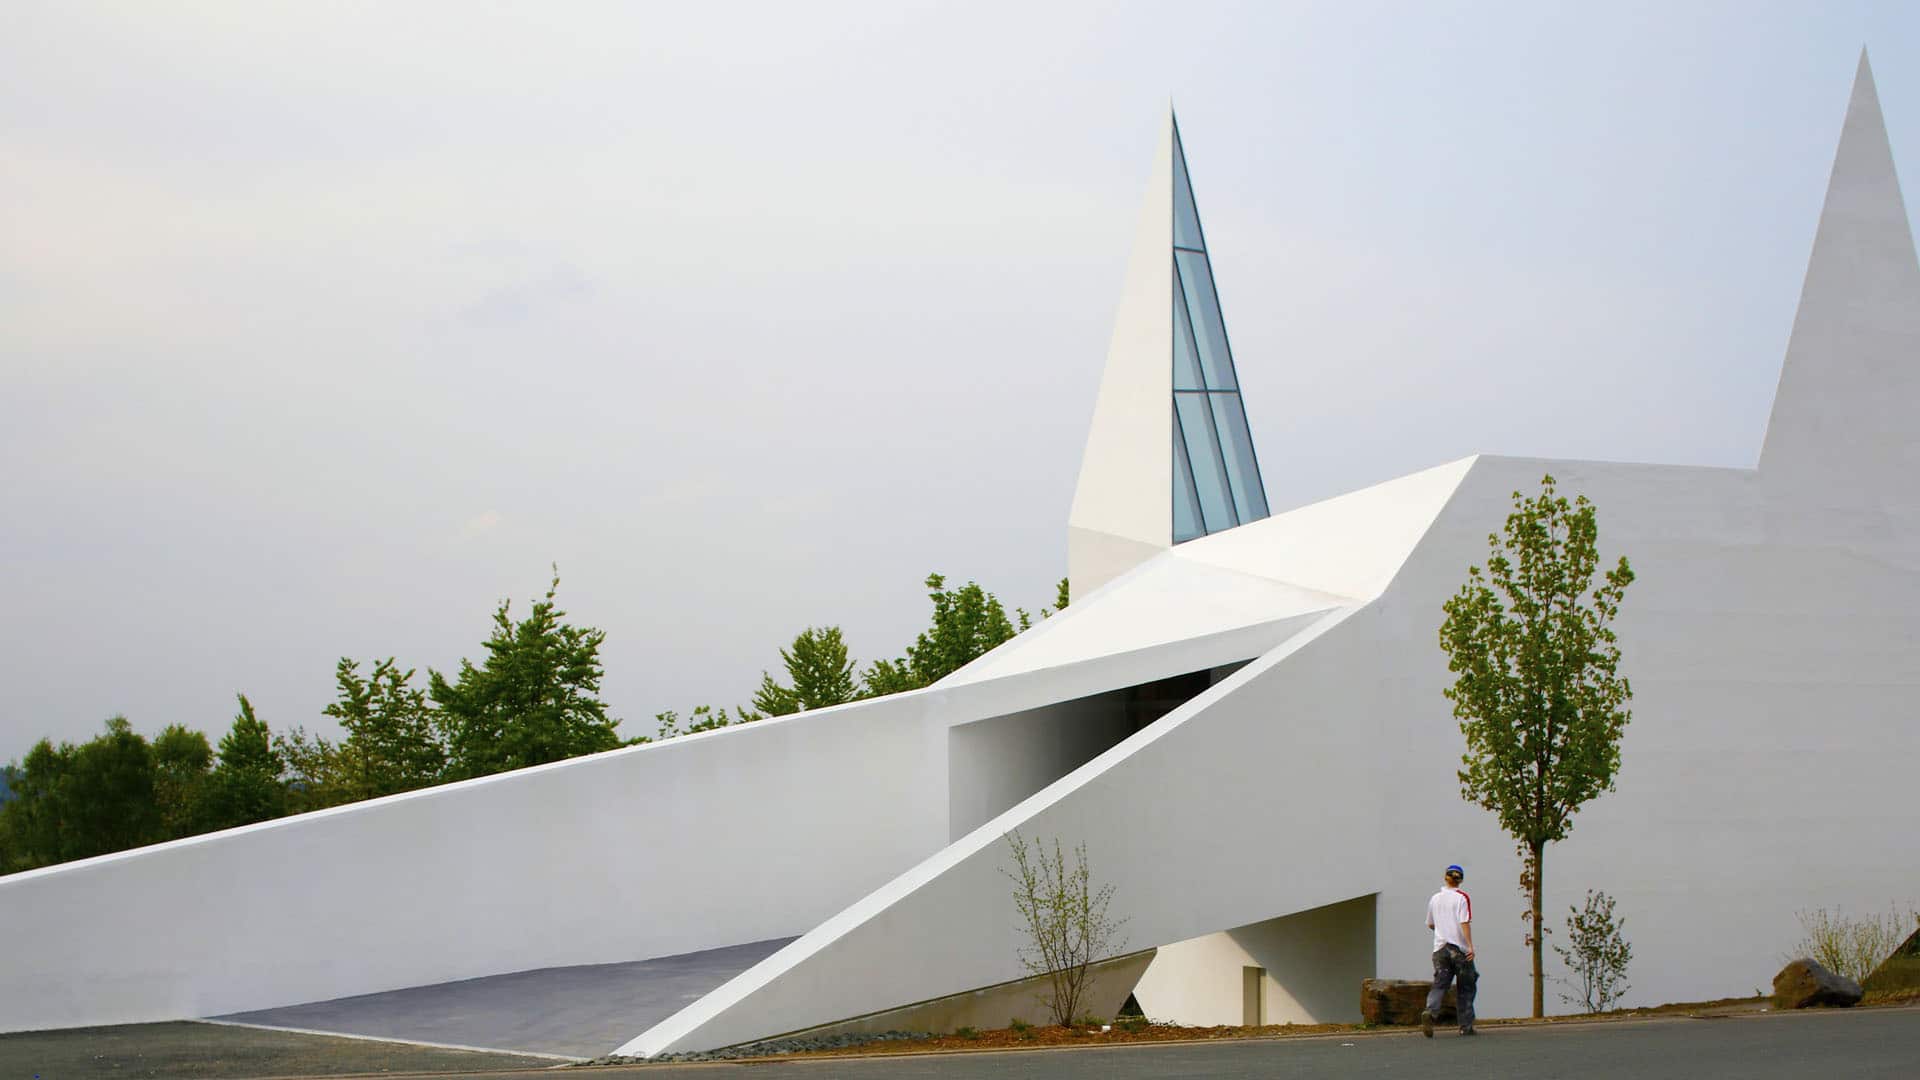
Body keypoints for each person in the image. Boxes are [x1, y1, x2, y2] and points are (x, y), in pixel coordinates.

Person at [1423, 863, 1476, 1038]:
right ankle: (1465, 1026)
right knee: (1466, 986)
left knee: (1440, 983)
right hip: (1459, 949)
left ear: (1445, 877)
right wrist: (1469, 946)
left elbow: (1431, 924)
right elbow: (1464, 922)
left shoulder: (1435, 898)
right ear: (1460, 880)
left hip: (1439, 949)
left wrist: (1442, 932)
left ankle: (1430, 1012)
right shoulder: (1462, 898)